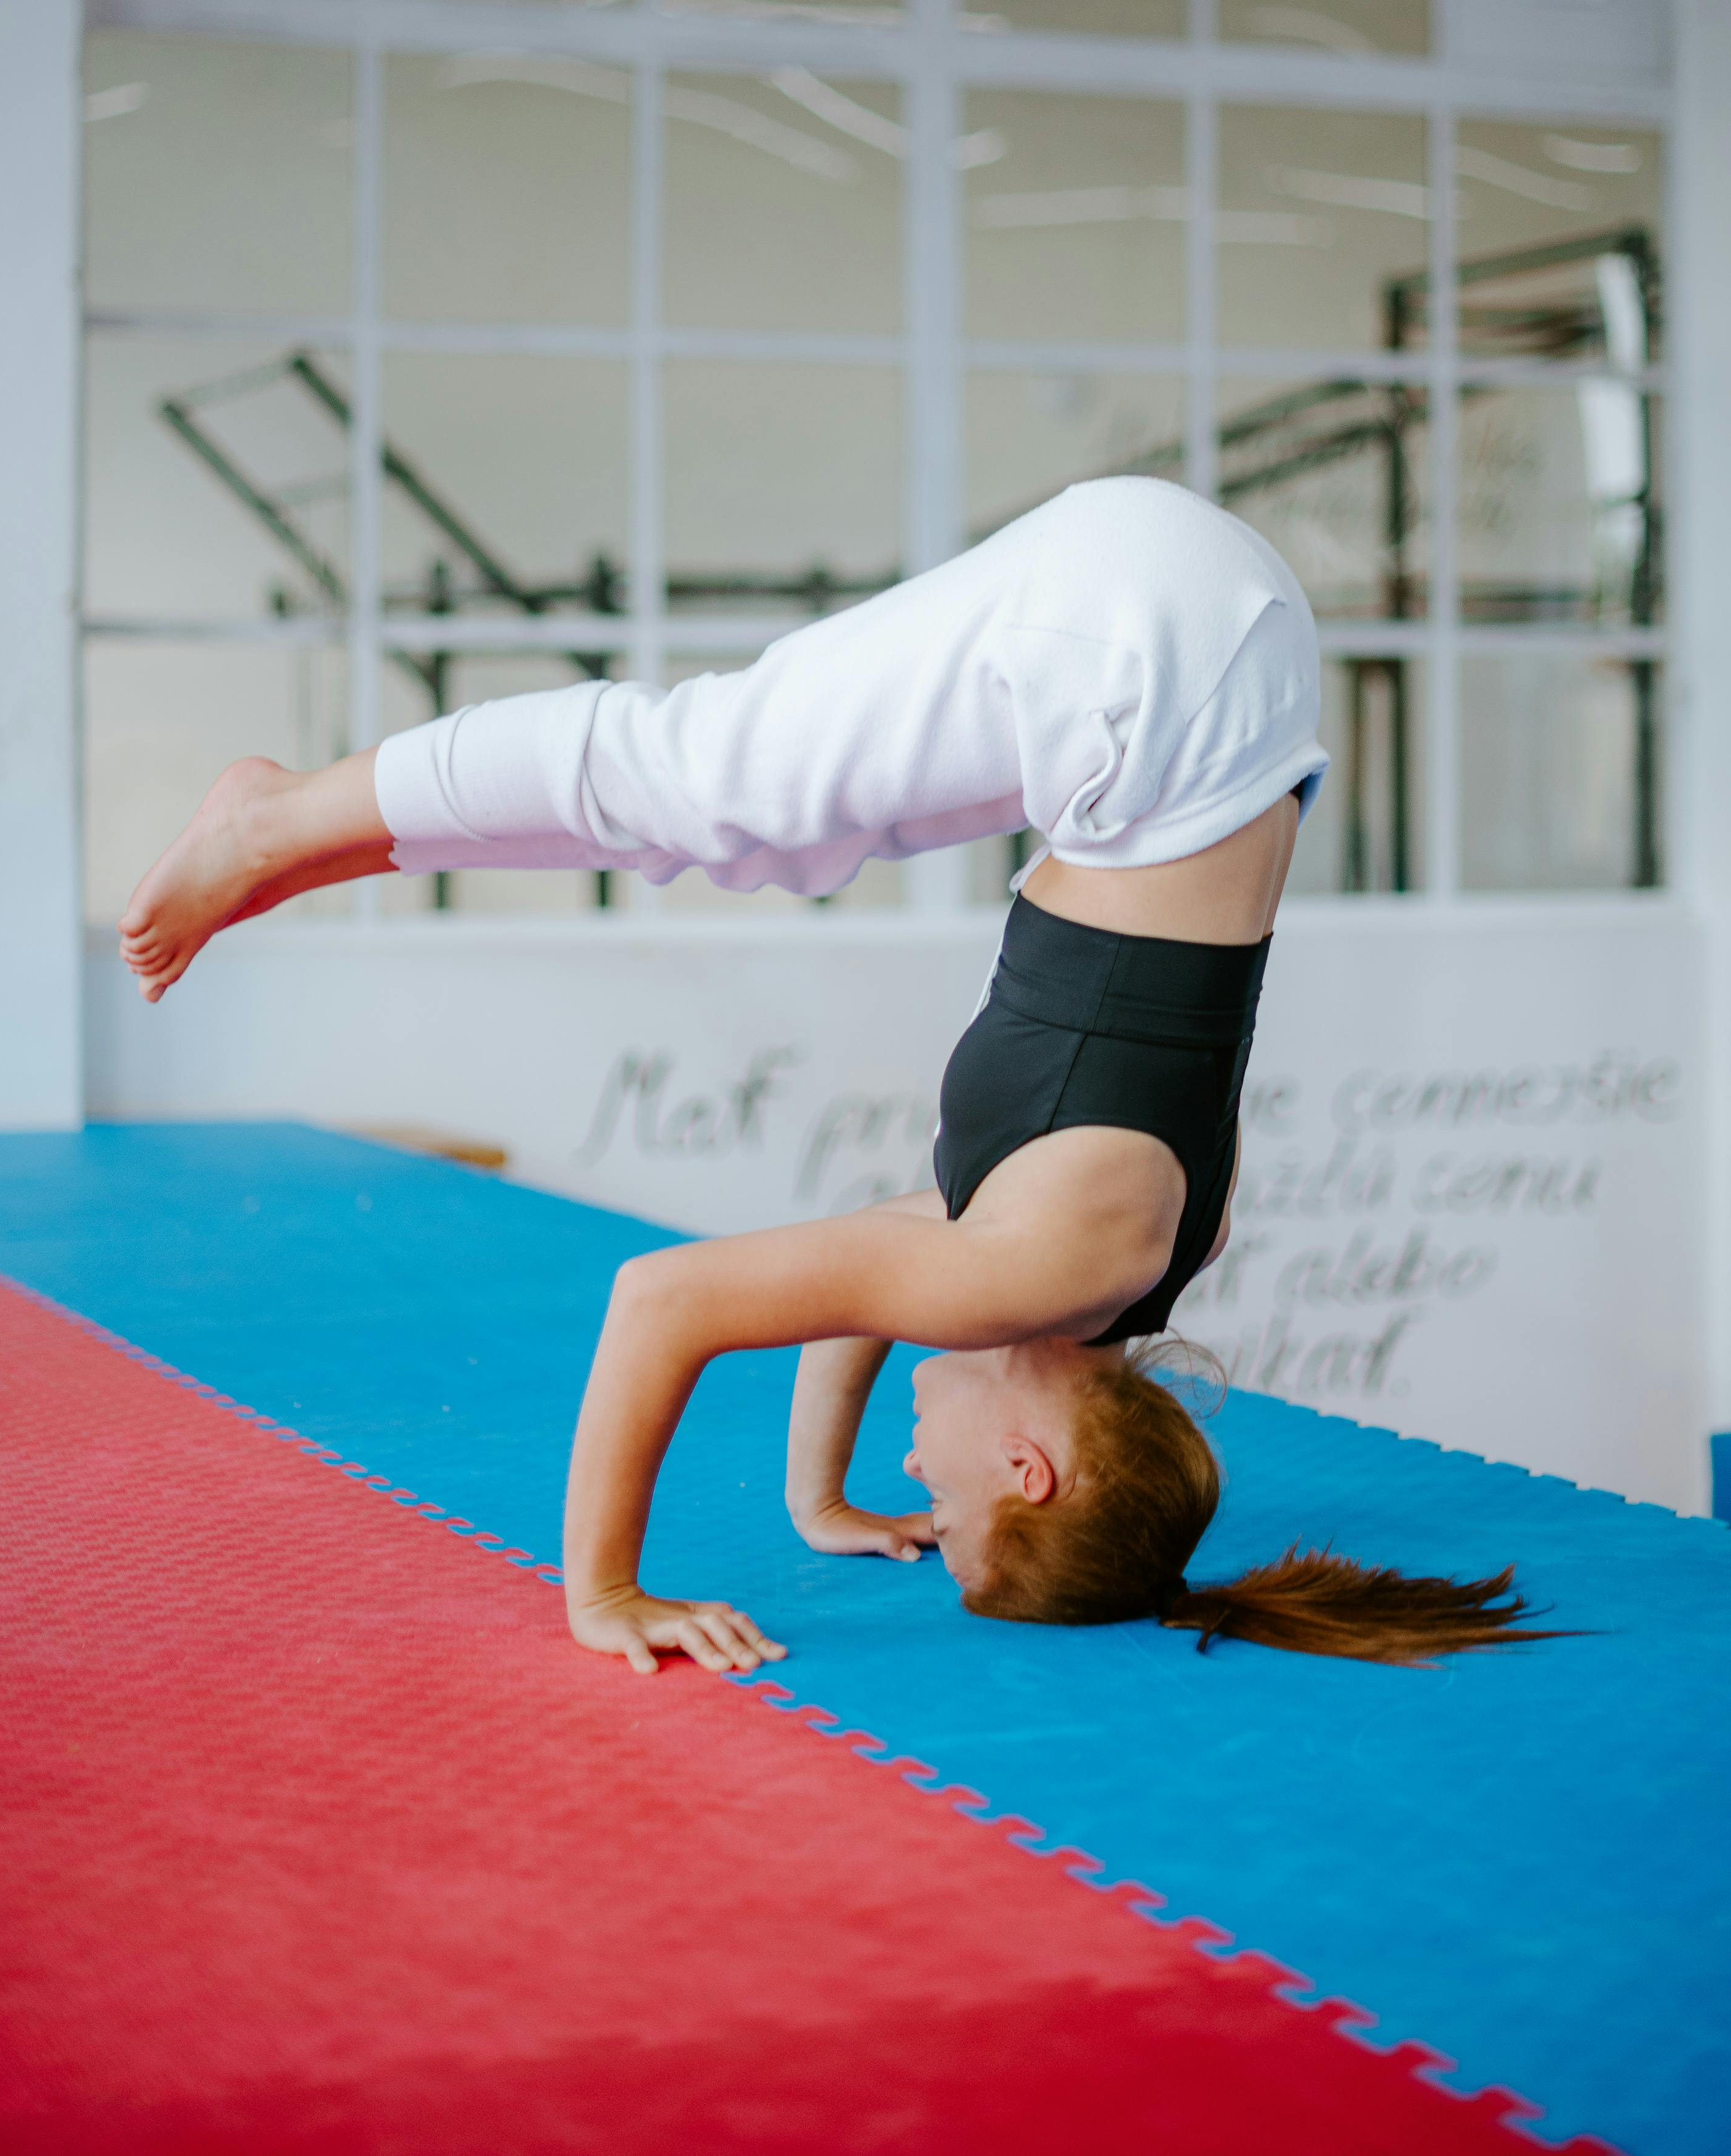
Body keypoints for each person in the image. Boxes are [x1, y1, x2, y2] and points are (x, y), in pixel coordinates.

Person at [121, 479, 1551, 1677]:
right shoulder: (1027, 1272)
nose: (926, 1485)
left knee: (774, 836)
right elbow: (661, 1302)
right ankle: (275, 821)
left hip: (1207, 671)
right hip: (1150, 657)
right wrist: (603, 1593)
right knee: (707, 783)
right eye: (954, 1505)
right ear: (1030, 1471)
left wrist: (821, 1502)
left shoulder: (1106, 1262)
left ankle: (309, 831)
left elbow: (857, 1286)